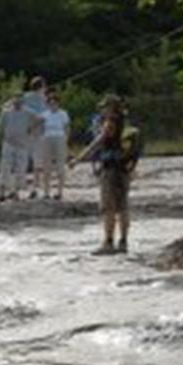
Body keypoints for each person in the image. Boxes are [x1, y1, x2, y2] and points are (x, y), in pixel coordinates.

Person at [74, 96, 141, 255]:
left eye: (104, 107)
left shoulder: (110, 122)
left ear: (111, 107)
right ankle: (123, 242)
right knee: (123, 207)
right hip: (124, 170)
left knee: (108, 208)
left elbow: (97, 143)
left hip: (110, 170)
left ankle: (108, 242)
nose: (102, 110)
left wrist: (78, 158)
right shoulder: (126, 122)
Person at [0, 97, 38, 201]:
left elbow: (40, 119)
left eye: (19, 101)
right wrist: (4, 136)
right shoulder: (6, 112)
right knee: (5, 167)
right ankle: (2, 191)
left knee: (21, 168)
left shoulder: (28, 111)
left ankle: (15, 192)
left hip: (23, 144)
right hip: (8, 143)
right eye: (15, 101)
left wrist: (31, 128)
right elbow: (0, 125)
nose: (17, 103)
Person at [37, 91, 71, 200]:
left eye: (55, 103)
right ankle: (46, 192)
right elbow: (41, 128)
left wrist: (66, 139)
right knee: (46, 166)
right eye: (51, 103)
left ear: (58, 103)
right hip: (47, 138)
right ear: (48, 104)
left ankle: (59, 191)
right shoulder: (44, 114)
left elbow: (67, 127)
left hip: (60, 138)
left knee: (60, 165)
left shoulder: (63, 114)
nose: (53, 105)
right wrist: (42, 138)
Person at [21, 77, 49, 198]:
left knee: (27, 160)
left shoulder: (24, 97)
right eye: (44, 86)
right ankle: (34, 187)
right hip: (34, 134)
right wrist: (32, 126)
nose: (45, 88)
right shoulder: (42, 99)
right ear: (41, 86)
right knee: (36, 161)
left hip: (28, 133)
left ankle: (30, 188)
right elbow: (43, 117)